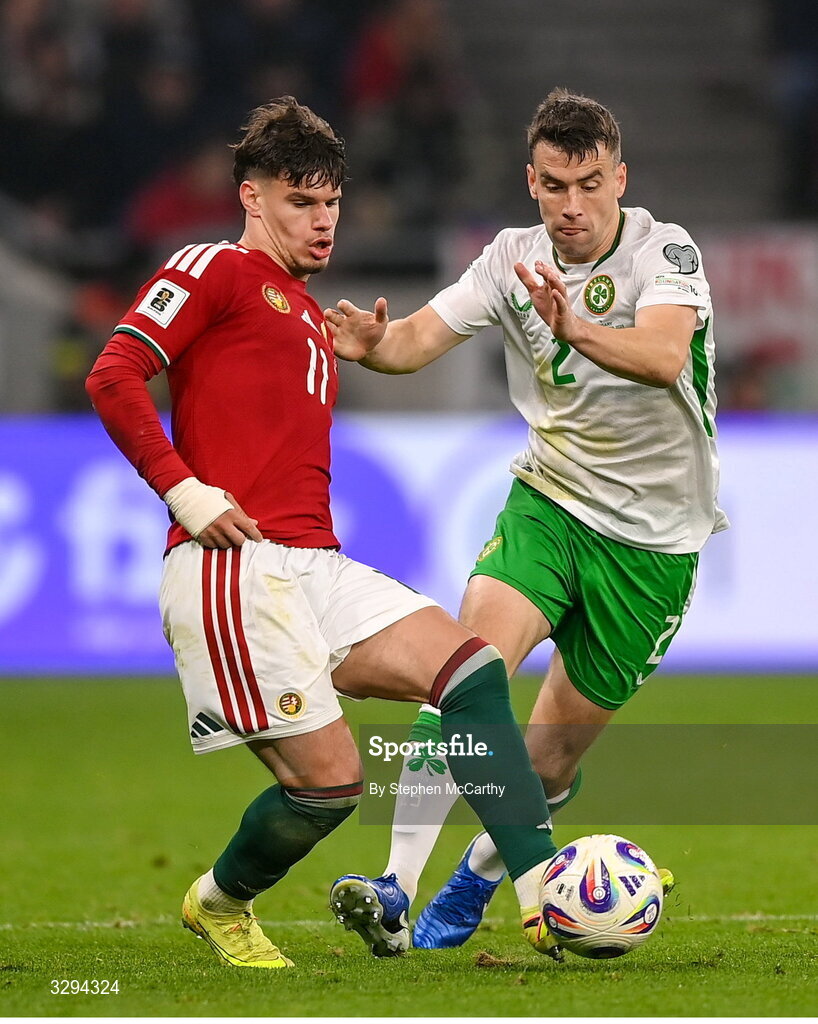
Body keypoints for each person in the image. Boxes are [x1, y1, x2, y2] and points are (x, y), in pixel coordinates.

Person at [85, 96, 561, 969]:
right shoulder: (213, 268)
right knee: (332, 786)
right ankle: (221, 902)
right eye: (301, 201)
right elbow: (114, 373)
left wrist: (371, 345)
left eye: (332, 202)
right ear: (251, 197)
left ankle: (543, 898)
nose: (323, 220)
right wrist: (185, 492)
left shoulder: (309, 313)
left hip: (317, 564)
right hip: (230, 564)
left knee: (470, 672)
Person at [326, 88, 728, 951]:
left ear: (620, 178)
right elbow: (417, 341)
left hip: (654, 545)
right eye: (555, 185)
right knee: (463, 669)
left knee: (546, 764)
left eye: (590, 184)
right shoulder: (508, 259)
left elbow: (662, 356)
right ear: (531, 183)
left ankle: (475, 874)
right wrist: (373, 347)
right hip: (549, 501)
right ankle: (394, 889)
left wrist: (575, 327)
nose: (573, 206)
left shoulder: (667, 251)